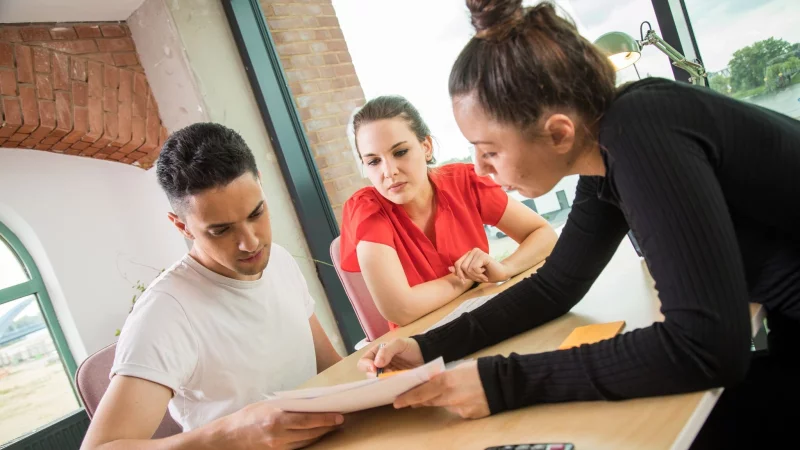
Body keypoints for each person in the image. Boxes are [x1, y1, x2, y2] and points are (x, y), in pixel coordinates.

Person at [358, 1, 800, 447]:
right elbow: (557, 286)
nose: (480, 169)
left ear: (558, 133)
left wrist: (501, 382)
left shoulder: (641, 135)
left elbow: (704, 347)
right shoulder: (606, 150)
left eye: (489, 150)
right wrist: (426, 347)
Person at [82, 123, 345, 449]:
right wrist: (230, 434)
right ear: (182, 226)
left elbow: (329, 366)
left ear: (261, 184)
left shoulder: (277, 259)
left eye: (256, 213)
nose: (250, 243)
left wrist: (378, 372)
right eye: (221, 230)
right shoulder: (165, 313)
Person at [340, 95, 557, 328]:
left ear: (426, 147)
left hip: (488, 318)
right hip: (424, 343)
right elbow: (401, 310)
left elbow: (544, 234)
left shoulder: (464, 182)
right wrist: (466, 278)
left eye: (400, 152)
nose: (389, 171)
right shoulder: (366, 210)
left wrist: (505, 268)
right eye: (373, 162)